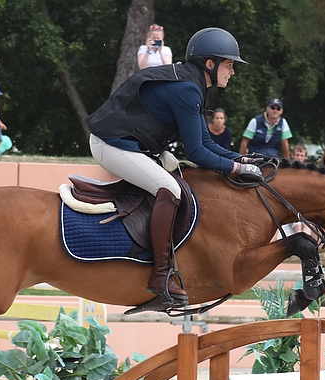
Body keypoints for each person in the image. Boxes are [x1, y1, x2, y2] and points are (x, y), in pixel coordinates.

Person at [86, 27, 260, 308]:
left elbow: (206, 142)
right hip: (112, 145)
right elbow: (197, 153)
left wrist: (244, 161)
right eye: (229, 65)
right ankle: (159, 275)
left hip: (132, 144)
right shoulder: (186, 89)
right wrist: (236, 171)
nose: (233, 72)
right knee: (169, 189)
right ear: (210, 63)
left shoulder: (193, 85)